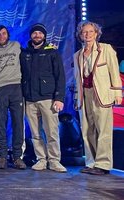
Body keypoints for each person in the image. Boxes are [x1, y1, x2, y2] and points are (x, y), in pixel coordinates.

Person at [74, 21, 122, 175]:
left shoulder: (106, 49)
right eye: (84, 32)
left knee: (103, 130)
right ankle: (91, 162)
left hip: (101, 94)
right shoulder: (78, 55)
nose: (87, 35)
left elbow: (114, 73)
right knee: (87, 130)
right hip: (85, 95)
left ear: (96, 34)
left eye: (90, 32)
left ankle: (103, 164)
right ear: (80, 35)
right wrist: (77, 97)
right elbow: (77, 79)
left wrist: (117, 94)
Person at [20, 23, 67, 172]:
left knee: (51, 132)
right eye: (34, 33)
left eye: (40, 33)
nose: (37, 35)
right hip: (29, 99)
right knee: (35, 133)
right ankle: (41, 159)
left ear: (44, 36)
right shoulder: (24, 53)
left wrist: (59, 98)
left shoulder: (52, 52)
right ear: (31, 36)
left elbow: (60, 76)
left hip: (48, 98)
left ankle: (54, 160)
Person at [0, 25, 26, 169]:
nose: (1, 36)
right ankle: (2, 156)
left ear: (8, 34)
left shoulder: (16, 46)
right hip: (0, 89)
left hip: (17, 88)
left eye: (4, 33)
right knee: (1, 124)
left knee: (18, 123)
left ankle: (17, 157)